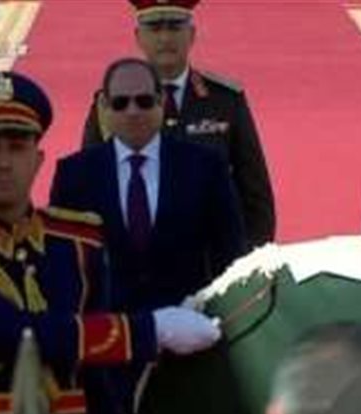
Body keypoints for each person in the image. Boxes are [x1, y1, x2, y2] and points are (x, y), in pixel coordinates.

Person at [0, 70, 220, 414]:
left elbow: (95, 377)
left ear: (38, 159)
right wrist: (149, 330)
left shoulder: (77, 242)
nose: (4, 162)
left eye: (17, 147)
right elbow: (5, 333)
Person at [51, 58, 257, 414]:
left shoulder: (205, 167)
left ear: (162, 103)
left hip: (187, 350)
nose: (133, 111)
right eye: (121, 102)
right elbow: (63, 271)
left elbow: (231, 257)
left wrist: (218, 328)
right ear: (104, 108)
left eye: (144, 101)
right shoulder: (75, 175)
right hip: (107, 356)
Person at [81, 0, 275, 249]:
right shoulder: (110, 104)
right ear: (138, 37)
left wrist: (249, 261)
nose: (165, 38)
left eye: (174, 27)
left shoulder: (225, 101)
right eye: (155, 28)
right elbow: (88, 193)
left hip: (212, 261)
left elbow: (255, 196)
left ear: (192, 34)